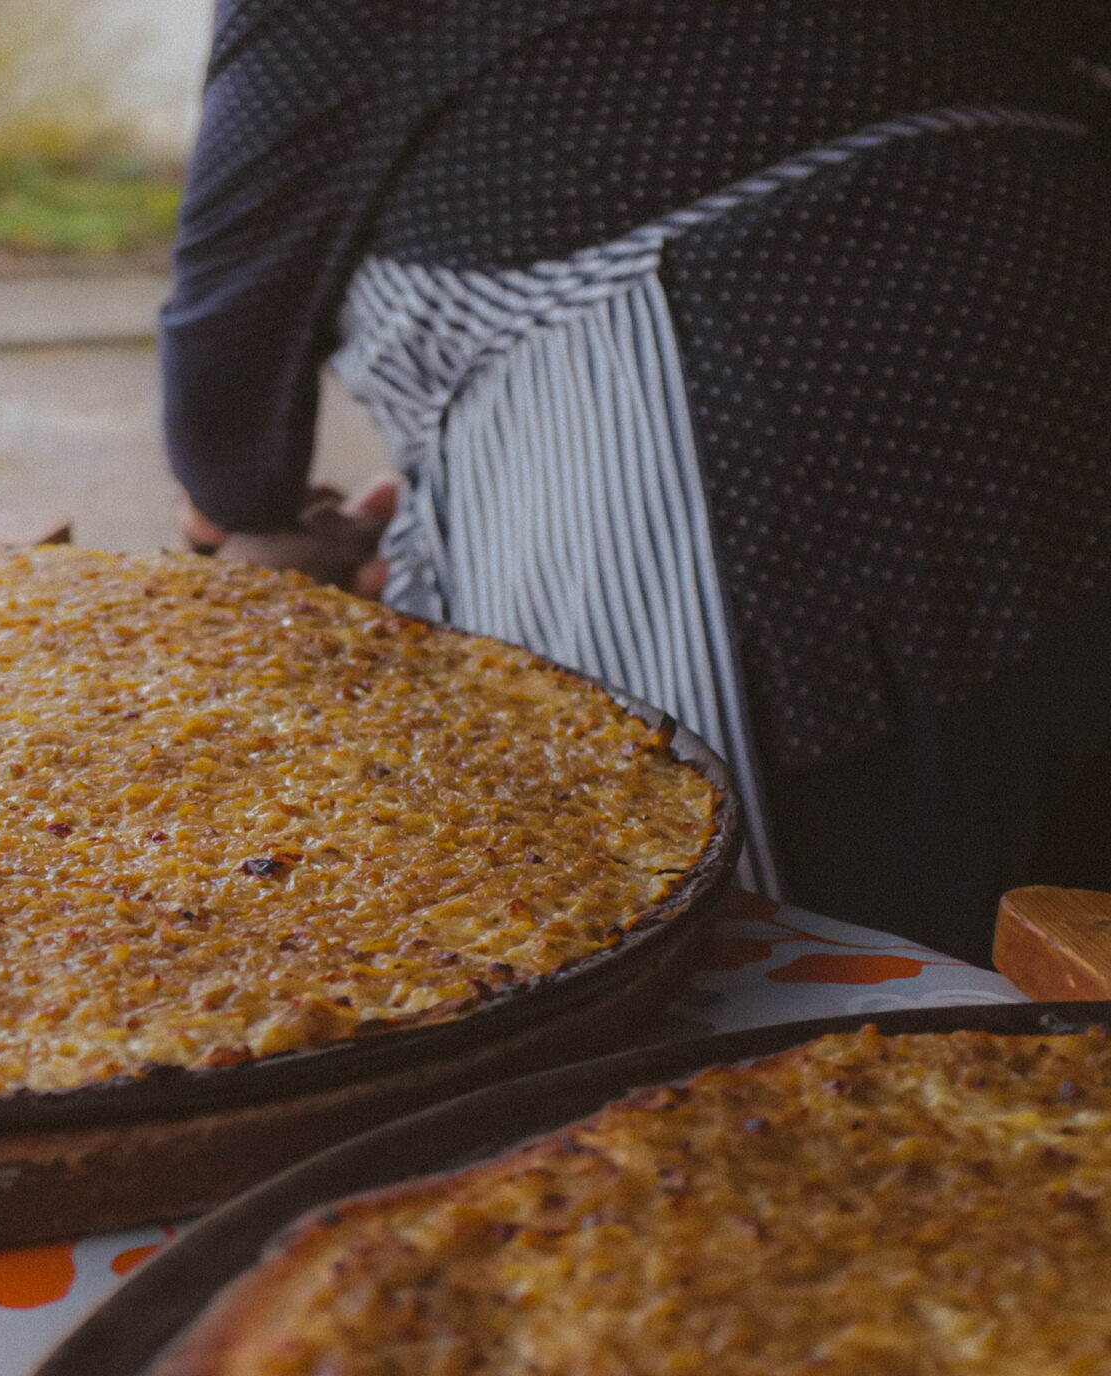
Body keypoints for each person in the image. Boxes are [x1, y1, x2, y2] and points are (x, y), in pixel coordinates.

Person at [163, 0, 1111, 964]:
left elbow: (231, 337)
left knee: (725, 963)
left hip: (746, 408)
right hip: (1067, 292)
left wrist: (242, 514)